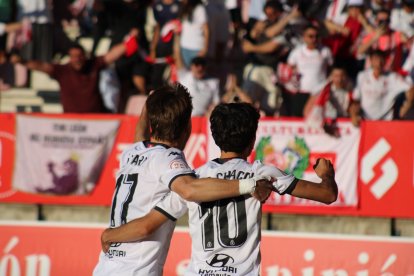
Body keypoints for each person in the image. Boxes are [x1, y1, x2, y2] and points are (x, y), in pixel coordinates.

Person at [99, 102, 338, 275]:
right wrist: (326, 175)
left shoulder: (195, 180)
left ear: (214, 138)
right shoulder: (262, 174)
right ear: (253, 140)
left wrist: (110, 234)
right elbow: (327, 195)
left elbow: (147, 224)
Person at [93, 84, 273, 276]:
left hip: (106, 266)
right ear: (188, 127)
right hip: (135, 271)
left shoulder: (132, 152)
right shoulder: (170, 161)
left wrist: (148, 105)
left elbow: (140, 135)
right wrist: (250, 184)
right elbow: (189, 190)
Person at [23, 30, 139, 113]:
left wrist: (129, 41)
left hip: (97, 121)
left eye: (79, 56)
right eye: (73, 56)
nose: (77, 59)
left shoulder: (93, 65)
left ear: (84, 56)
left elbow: (112, 55)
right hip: (72, 124)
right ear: (69, 57)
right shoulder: (63, 70)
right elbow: (42, 66)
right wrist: (21, 61)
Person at [350, 50, 414, 126]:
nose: (379, 63)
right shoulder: (362, 76)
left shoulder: (392, 77)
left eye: (381, 59)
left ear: (385, 61)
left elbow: (411, 88)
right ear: (370, 61)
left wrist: (407, 105)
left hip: (386, 122)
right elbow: (356, 100)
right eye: (376, 59)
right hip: (365, 122)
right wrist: (353, 115)